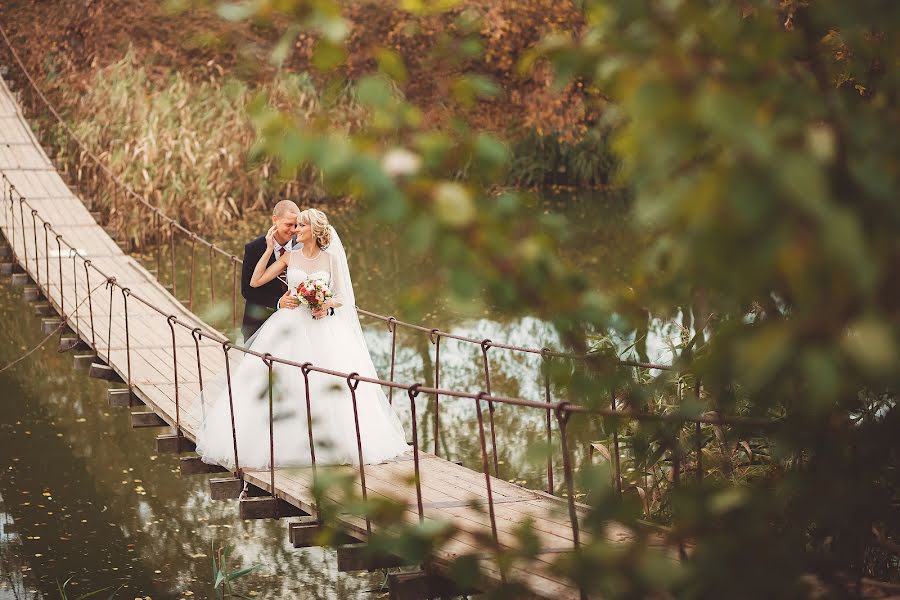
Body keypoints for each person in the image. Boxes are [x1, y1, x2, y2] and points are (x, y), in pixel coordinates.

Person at [196, 208, 409, 469]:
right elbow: (255, 281)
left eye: (301, 226)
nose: (296, 230)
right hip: (289, 324)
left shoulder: (331, 259)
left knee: (328, 384)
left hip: (323, 328)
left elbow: (344, 297)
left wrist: (326, 304)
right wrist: (268, 249)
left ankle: (333, 444)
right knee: (284, 380)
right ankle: (285, 446)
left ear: (314, 230)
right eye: (294, 226)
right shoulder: (290, 256)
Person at [239, 200, 301, 342]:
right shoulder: (254, 249)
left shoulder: (304, 245)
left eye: (296, 225)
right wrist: (278, 302)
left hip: (294, 327)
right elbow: (247, 290)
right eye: (288, 224)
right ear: (275, 220)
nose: (293, 230)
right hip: (258, 324)